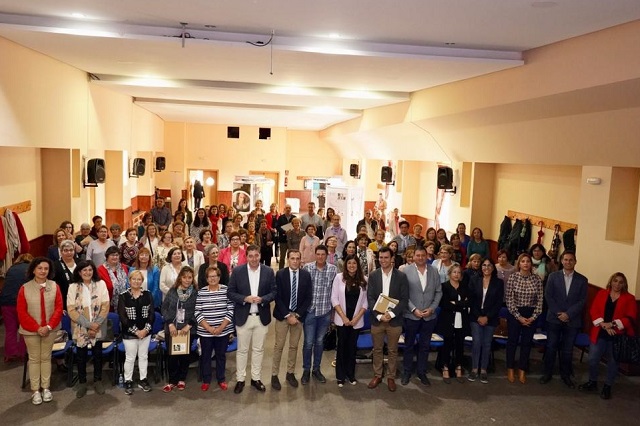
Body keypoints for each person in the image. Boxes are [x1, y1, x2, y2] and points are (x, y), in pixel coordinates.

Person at [579, 272, 637, 400]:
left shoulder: (629, 298)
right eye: (615, 281)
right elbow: (594, 310)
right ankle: (592, 382)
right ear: (611, 281)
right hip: (600, 331)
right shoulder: (602, 293)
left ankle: (607, 386)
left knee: (613, 362)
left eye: (621, 282)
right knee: (593, 359)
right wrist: (604, 325)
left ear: (624, 284)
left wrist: (612, 324)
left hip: (617, 336)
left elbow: (630, 317)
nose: (617, 284)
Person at [227, 245, 277, 394]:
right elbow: (230, 292)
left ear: (260, 255)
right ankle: (240, 379)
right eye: (251, 256)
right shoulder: (238, 271)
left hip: (261, 318)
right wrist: (245, 298)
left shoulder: (268, 271)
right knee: (242, 350)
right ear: (246, 257)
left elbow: (274, 292)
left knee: (258, 350)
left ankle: (256, 379)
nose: (254, 259)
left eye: (256, 255)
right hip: (243, 317)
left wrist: (263, 299)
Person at [16, 257, 63, 405]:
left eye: (46, 268)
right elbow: (21, 312)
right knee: (34, 359)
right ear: (33, 270)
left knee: (46, 358)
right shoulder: (24, 288)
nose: (43, 271)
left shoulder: (54, 286)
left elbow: (58, 308)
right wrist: (37, 328)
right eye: (40, 268)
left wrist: (48, 327)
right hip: (30, 331)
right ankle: (35, 390)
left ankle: (46, 388)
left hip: (50, 329)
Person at [540, 251, 588, 388]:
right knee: (551, 347)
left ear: (575, 262)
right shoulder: (553, 276)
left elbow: (582, 300)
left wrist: (568, 314)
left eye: (571, 260)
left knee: (567, 350)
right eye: (565, 259)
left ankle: (565, 375)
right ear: (562, 261)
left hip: (572, 320)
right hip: (554, 318)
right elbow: (548, 295)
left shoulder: (582, 280)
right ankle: (547, 373)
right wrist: (558, 313)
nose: (568, 262)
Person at [367, 247, 409, 392]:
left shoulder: (401, 276)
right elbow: (370, 298)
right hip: (377, 319)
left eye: (386, 257)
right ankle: (378, 375)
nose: (383, 260)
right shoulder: (373, 275)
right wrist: (379, 315)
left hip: (394, 320)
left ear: (392, 259)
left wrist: (391, 314)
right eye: (381, 257)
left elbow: (404, 299)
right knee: (377, 349)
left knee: (393, 350)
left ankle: (391, 376)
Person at [67, 259, 110, 398]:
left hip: (98, 325)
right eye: (84, 270)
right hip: (80, 327)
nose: (87, 272)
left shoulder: (101, 284)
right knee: (81, 356)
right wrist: (89, 325)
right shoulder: (73, 287)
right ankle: (82, 383)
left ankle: (98, 381)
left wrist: (96, 324)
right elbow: (71, 309)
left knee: (98, 355)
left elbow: (105, 306)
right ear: (79, 272)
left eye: (90, 270)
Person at [271, 250, 312, 390]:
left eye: (297, 258)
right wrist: (288, 316)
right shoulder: (280, 274)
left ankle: (290, 373)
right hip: (282, 315)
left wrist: (297, 315)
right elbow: (277, 296)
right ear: (288, 259)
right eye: (292, 258)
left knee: (294, 346)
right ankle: (274, 375)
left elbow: (308, 298)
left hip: (298, 317)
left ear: (301, 260)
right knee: (279, 346)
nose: (295, 261)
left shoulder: (306, 275)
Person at [401, 246, 441, 386]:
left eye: (423, 255)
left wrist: (432, 308)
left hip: (429, 316)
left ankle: (421, 371)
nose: (420, 258)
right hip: (412, 315)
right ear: (413, 257)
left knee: (425, 345)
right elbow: (403, 294)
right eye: (417, 255)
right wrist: (413, 309)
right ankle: (407, 371)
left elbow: (438, 292)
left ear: (426, 256)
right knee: (409, 345)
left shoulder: (434, 271)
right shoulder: (406, 271)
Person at [301, 245, 338, 385]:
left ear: (327, 255)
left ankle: (316, 369)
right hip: (310, 311)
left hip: (325, 312)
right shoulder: (307, 268)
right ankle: (306, 370)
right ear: (315, 255)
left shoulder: (333, 270)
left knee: (319, 342)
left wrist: (333, 313)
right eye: (318, 254)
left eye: (323, 254)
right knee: (308, 343)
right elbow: (303, 290)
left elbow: (335, 292)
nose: (320, 257)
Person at [505, 253, 543, 384]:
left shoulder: (537, 279)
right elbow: (509, 299)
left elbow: (540, 301)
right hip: (515, 313)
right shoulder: (513, 278)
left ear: (531, 264)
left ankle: (522, 369)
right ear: (519, 264)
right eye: (523, 261)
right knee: (512, 342)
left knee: (526, 343)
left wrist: (533, 317)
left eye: (528, 261)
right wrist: (519, 317)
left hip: (531, 314)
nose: (526, 263)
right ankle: (510, 368)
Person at [195, 266, 235, 392]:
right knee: (206, 356)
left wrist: (221, 328)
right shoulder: (201, 292)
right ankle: (206, 380)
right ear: (206, 279)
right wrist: (209, 328)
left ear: (219, 277)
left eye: (215, 276)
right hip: (205, 332)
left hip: (223, 331)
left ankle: (221, 379)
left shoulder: (226, 290)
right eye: (210, 277)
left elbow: (230, 310)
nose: (212, 279)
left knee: (220, 355)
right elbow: (197, 312)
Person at [331, 254, 368, 387]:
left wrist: (356, 318)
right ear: (345, 265)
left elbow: (365, 302)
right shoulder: (339, 278)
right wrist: (344, 317)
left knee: (352, 348)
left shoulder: (364, 280)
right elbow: (334, 298)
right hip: (342, 319)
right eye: (349, 263)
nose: (351, 266)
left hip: (356, 320)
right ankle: (340, 376)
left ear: (358, 265)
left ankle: (350, 374)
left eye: (354, 263)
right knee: (342, 347)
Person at [161, 266, 198, 392]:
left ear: (192, 279)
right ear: (180, 278)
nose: (187, 280)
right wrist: (170, 324)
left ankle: (182, 379)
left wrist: (189, 326)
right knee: (172, 356)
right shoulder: (172, 291)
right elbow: (164, 308)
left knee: (184, 355)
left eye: (190, 277)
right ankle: (172, 381)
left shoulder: (195, 293)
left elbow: (198, 311)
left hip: (187, 330)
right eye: (184, 277)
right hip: (172, 329)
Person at [118, 270, 154, 395]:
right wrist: (136, 331)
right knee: (130, 357)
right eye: (134, 279)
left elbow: (151, 314)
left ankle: (143, 379)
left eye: (139, 279)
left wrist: (145, 330)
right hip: (129, 333)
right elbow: (123, 317)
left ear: (142, 281)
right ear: (129, 281)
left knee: (144, 356)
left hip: (145, 332)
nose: (136, 281)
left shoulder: (148, 294)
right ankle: (128, 380)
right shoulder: (123, 296)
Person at [468, 258, 504, 384]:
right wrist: (478, 316)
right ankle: (474, 368)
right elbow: (471, 300)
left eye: (489, 265)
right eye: (484, 265)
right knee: (477, 342)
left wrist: (487, 317)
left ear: (493, 268)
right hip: (475, 316)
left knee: (487, 343)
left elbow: (498, 303)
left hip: (491, 317)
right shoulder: (474, 280)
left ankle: (483, 369)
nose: (486, 267)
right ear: (481, 267)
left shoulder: (498, 283)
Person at [437, 264, 470, 383]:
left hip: (462, 320)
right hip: (447, 320)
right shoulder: (444, 286)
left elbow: (468, 303)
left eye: (459, 272)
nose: (456, 274)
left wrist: (456, 303)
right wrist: (461, 304)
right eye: (454, 272)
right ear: (449, 273)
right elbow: (444, 304)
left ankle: (458, 367)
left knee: (460, 344)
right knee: (447, 344)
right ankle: (445, 367)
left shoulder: (465, 287)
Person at [1, 253, 32, 362]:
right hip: (21, 302)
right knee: (24, 328)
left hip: (5, 302)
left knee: (10, 329)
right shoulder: (30, 269)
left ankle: (10, 353)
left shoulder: (11, 269)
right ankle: (23, 353)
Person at [97, 246, 130, 311]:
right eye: (112, 255)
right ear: (107, 256)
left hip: (125, 304)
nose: (115, 257)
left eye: (117, 255)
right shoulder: (100, 270)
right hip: (107, 305)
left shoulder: (124, 267)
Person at [53, 240, 76, 309]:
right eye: (66, 250)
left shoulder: (80, 262)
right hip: (64, 300)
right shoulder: (55, 266)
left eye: (71, 250)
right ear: (61, 252)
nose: (69, 252)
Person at [276, 204, 296, 269]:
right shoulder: (280, 217)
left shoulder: (294, 217)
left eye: (289, 208)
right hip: (283, 240)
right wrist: (284, 231)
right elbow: (277, 227)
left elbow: (297, 226)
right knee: (282, 257)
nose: (288, 209)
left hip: (292, 240)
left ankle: (291, 269)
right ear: (284, 209)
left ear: (291, 209)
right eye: (286, 208)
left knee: (292, 256)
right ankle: (280, 271)